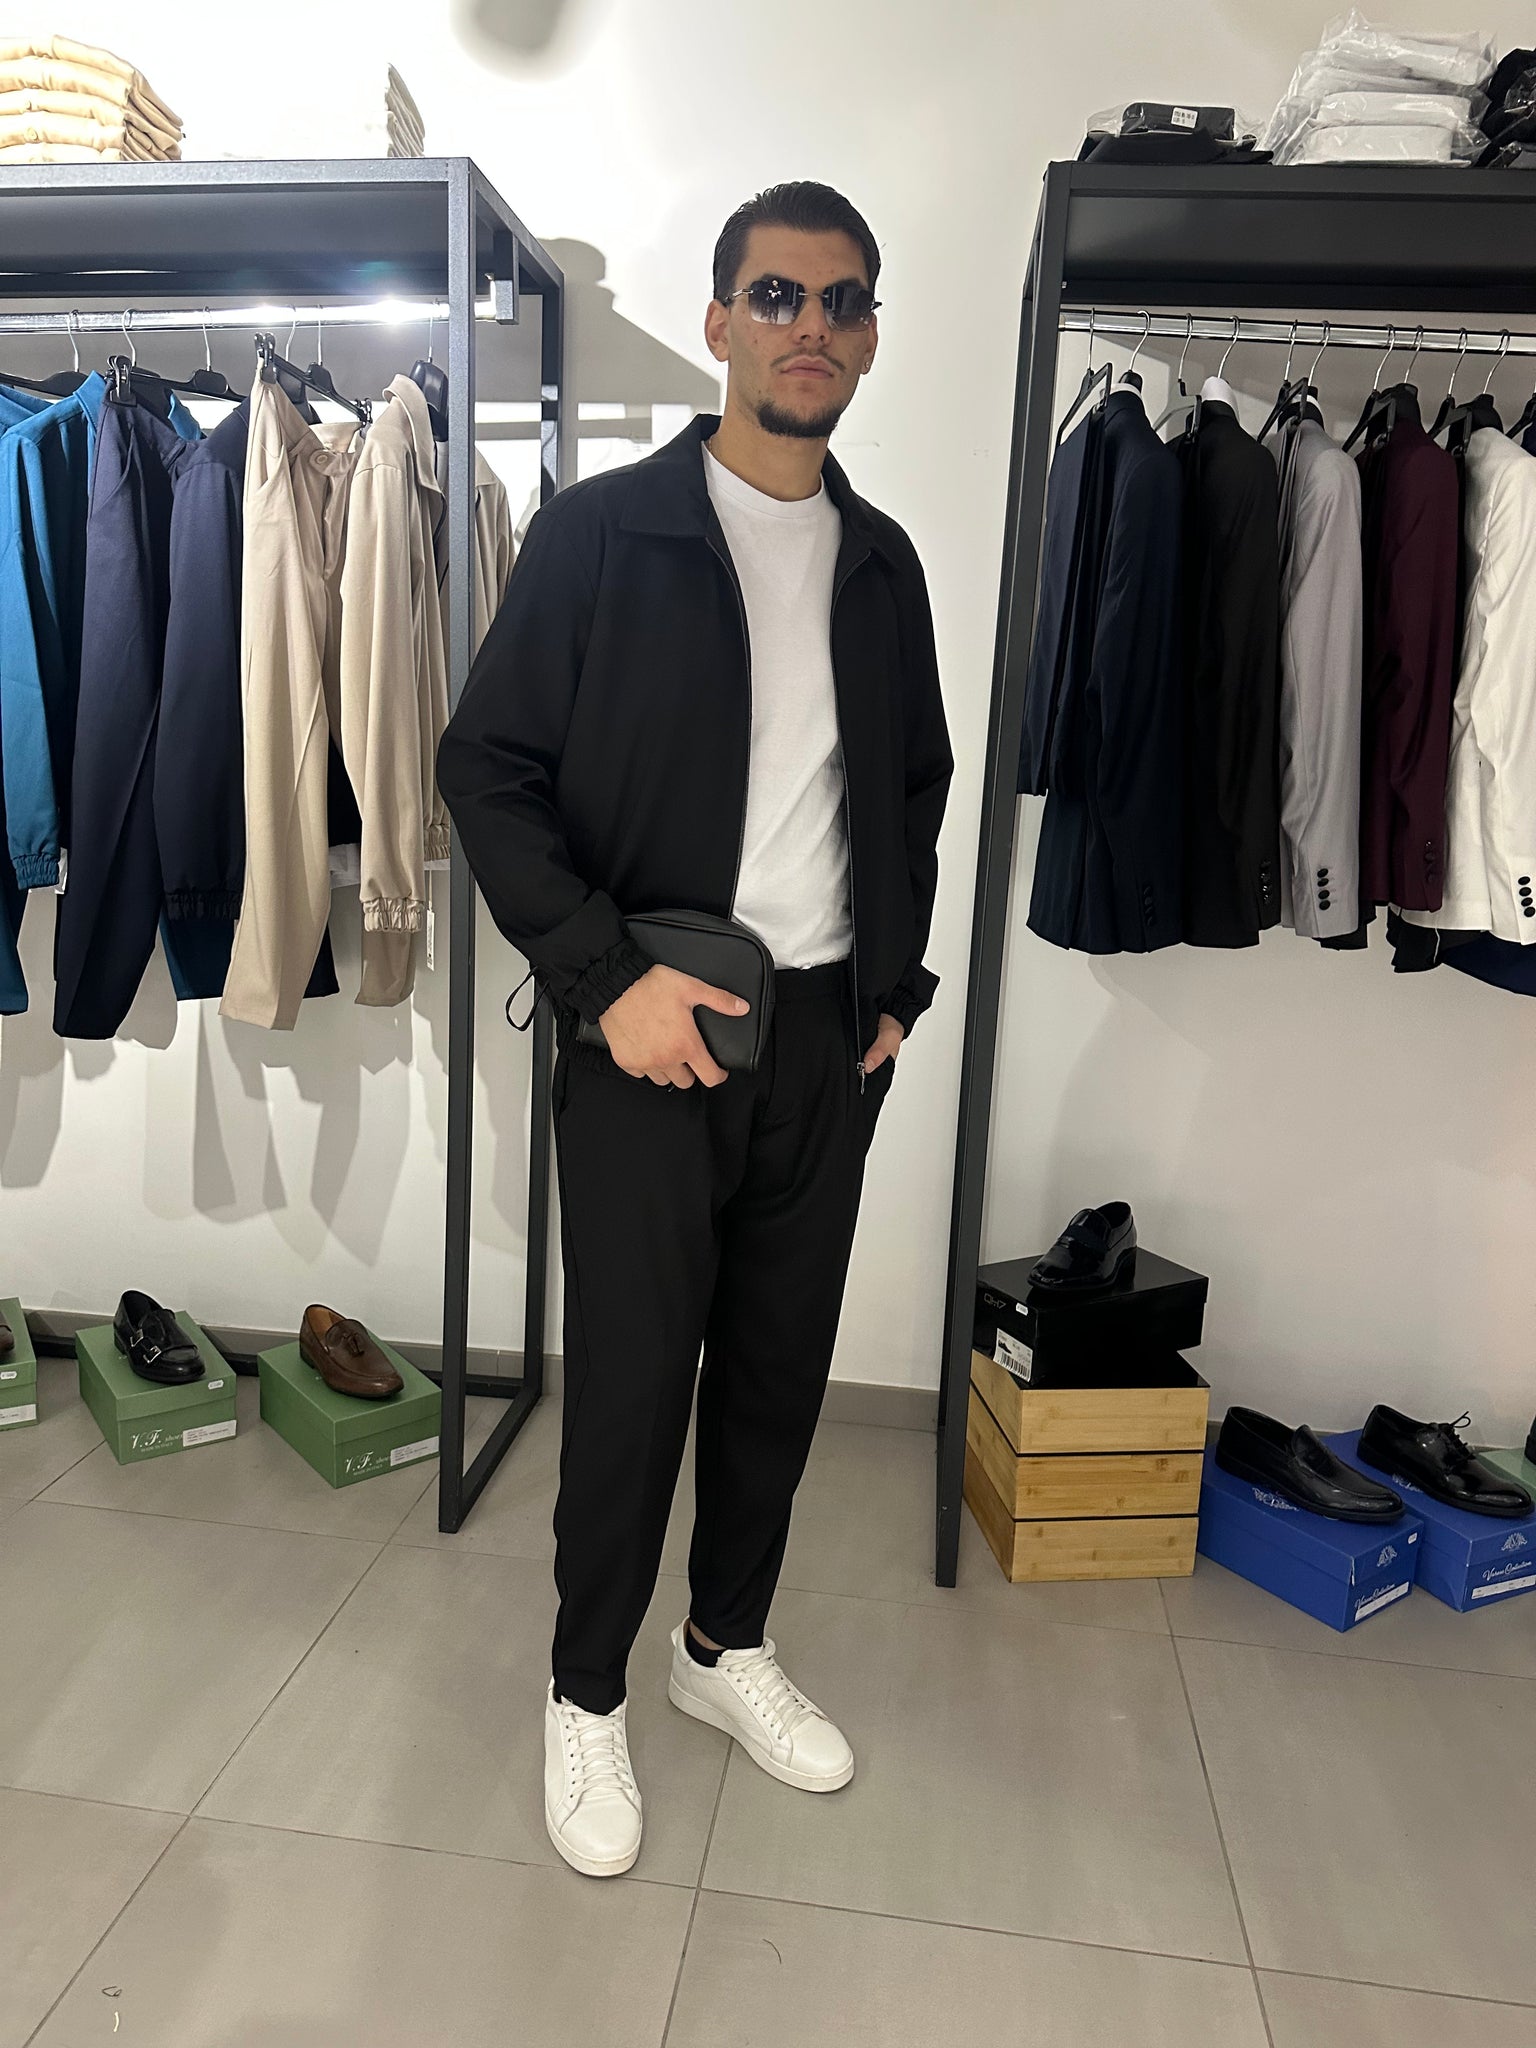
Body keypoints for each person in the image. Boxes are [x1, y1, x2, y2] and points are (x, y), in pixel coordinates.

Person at [437, 180, 952, 1879]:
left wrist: (893, 997)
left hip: (822, 1046)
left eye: (845, 300)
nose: (814, 325)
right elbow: (486, 771)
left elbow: (918, 788)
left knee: (778, 1373)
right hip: (650, 1035)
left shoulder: (882, 565)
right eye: (779, 294)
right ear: (722, 320)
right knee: (636, 1383)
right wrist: (608, 982)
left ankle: (722, 1647)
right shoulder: (606, 534)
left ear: (869, 340)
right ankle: (584, 1691)